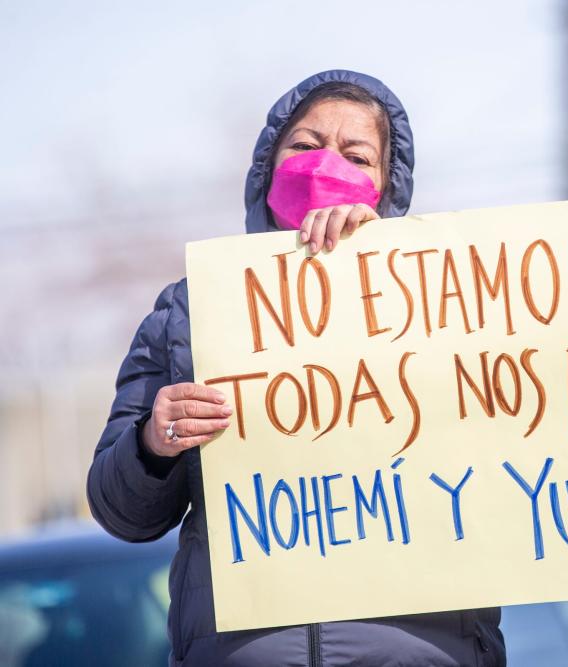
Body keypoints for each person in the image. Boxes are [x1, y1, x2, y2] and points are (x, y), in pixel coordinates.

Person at [87, 70, 505, 667]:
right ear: (267, 167)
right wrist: (155, 442)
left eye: (356, 155)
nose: (326, 165)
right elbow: (120, 511)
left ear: (385, 188)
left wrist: (389, 279)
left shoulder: (451, 304)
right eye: (306, 146)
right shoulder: (192, 311)